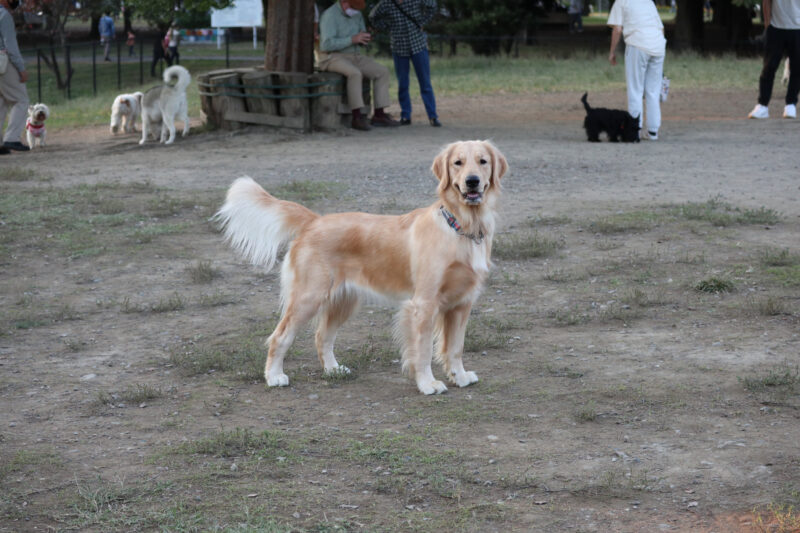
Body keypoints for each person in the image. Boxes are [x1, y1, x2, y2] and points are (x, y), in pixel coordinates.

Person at [318, 0, 400, 131]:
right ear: (344, 3)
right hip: (333, 56)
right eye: (353, 8)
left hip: (355, 55)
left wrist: (365, 38)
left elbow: (359, 36)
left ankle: (379, 114)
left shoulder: (357, 14)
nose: (356, 11)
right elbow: (326, 45)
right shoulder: (329, 16)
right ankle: (357, 117)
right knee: (355, 73)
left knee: (382, 71)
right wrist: (352, 39)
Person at [370, 0, 442, 127]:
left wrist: (422, 22)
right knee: (403, 83)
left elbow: (432, 5)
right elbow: (373, 16)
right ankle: (405, 115)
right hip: (399, 47)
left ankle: (432, 116)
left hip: (418, 45)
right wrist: (388, 26)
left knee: (425, 83)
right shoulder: (386, 3)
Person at [607, 0, 667, 141]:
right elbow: (661, 28)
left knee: (635, 89)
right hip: (658, 46)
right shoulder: (648, 2)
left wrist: (611, 52)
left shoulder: (621, 2)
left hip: (637, 44)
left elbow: (617, 29)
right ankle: (653, 132)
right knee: (653, 90)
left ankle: (634, 130)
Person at [747, 0, 800, 119]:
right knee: (769, 67)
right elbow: (766, 2)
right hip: (776, 28)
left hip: (798, 28)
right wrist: (767, 26)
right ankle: (762, 105)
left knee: (797, 68)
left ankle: (791, 105)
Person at [0, 0, 30, 153]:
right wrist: (21, 68)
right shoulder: (4, 15)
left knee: (2, 101)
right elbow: (10, 45)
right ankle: (12, 138)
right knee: (21, 99)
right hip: (4, 62)